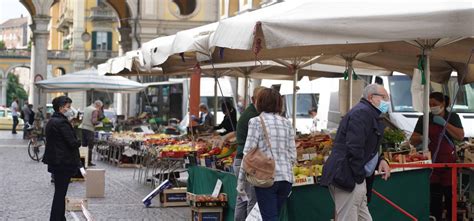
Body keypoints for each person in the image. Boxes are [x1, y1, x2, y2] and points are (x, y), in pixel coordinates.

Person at [320, 84, 391, 221]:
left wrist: (381, 159)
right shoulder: (362, 113)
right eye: (384, 98)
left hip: (352, 175)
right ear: (371, 97)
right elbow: (355, 147)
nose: (387, 102)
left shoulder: (367, 113)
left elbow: (369, 146)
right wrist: (359, 176)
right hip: (349, 176)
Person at [237, 88, 296, 221]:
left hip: (266, 178)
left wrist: (241, 182)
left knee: (269, 217)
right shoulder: (287, 123)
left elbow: (247, 153)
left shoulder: (256, 121)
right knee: (272, 215)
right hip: (286, 179)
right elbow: (293, 155)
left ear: (260, 102)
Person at [409, 92, 464, 221]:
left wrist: (445, 124)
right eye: (430, 104)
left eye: (435, 104)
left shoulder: (453, 117)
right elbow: (412, 139)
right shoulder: (424, 119)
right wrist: (422, 137)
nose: (432, 107)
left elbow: (460, 136)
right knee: (434, 198)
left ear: (443, 104)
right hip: (432, 164)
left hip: (449, 165)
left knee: (450, 197)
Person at [42, 96, 82, 221]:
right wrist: (78, 140)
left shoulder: (52, 121)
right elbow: (72, 143)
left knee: (59, 193)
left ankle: (59, 217)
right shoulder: (62, 123)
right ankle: (56, 218)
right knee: (60, 194)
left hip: (56, 161)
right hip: (63, 162)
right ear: (61, 108)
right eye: (68, 107)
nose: (70, 109)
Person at [233, 86, 265, 221]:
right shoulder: (254, 116)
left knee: (243, 198)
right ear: (253, 99)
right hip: (247, 161)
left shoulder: (250, 113)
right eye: (262, 99)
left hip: (240, 160)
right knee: (252, 199)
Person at [79, 100, 103, 167]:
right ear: (98, 105)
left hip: (83, 128)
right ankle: (89, 162)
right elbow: (94, 121)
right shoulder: (94, 110)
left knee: (84, 145)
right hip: (89, 129)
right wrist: (100, 123)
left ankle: (83, 161)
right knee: (90, 147)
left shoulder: (87, 108)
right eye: (100, 107)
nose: (99, 109)